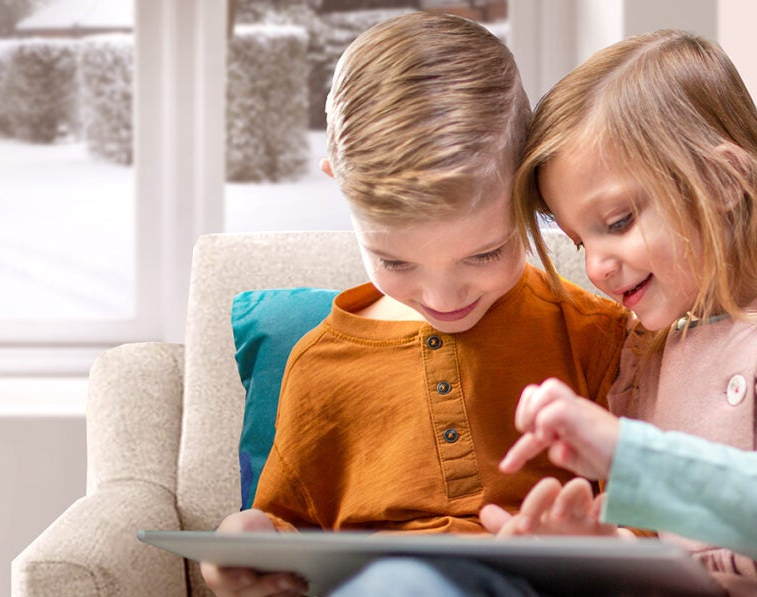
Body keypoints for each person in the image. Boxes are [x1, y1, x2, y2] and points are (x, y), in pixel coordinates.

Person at [336, 28, 757, 597]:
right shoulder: (646, 358)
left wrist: (624, 451)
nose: (597, 269)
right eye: (579, 242)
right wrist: (595, 547)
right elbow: (684, 560)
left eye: (617, 223)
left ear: (724, 180)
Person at [200, 12, 631, 597]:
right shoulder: (318, 366)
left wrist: (607, 544)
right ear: (340, 188)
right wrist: (245, 539)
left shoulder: (596, 336)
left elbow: (662, 521)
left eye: (483, 254)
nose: (442, 297)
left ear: (530, 188)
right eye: (397, 263)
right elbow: (289, 531)